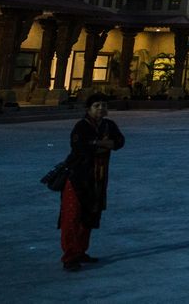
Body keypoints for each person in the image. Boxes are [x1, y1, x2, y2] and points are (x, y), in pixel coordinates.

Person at [58, 93, 125, 271]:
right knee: (72, 216)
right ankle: (69, 256)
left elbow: (119, 141)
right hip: (78, 176)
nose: (101, 108)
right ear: (89, 108)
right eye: (97, 105)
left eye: (104, 105)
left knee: (89, 215)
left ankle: (80, 250)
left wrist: (100, 143)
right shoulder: (82, 126)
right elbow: (79, 146)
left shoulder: (108, 125)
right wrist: (101, 144)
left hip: (98, 177)